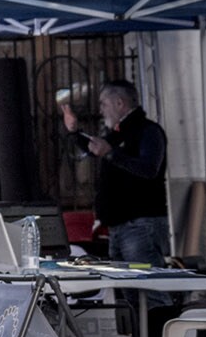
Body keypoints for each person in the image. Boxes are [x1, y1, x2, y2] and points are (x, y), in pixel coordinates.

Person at [61, 80, 170, 264]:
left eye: (104, 104)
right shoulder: (119, 133)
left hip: (141, 225)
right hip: (117, 226)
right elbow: (95, 148)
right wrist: (74, 131)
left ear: (119, 103)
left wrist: (111, 154)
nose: (101, 110)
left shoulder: (148, 131)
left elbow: (149, 169)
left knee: (147, 283)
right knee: (127, 287)